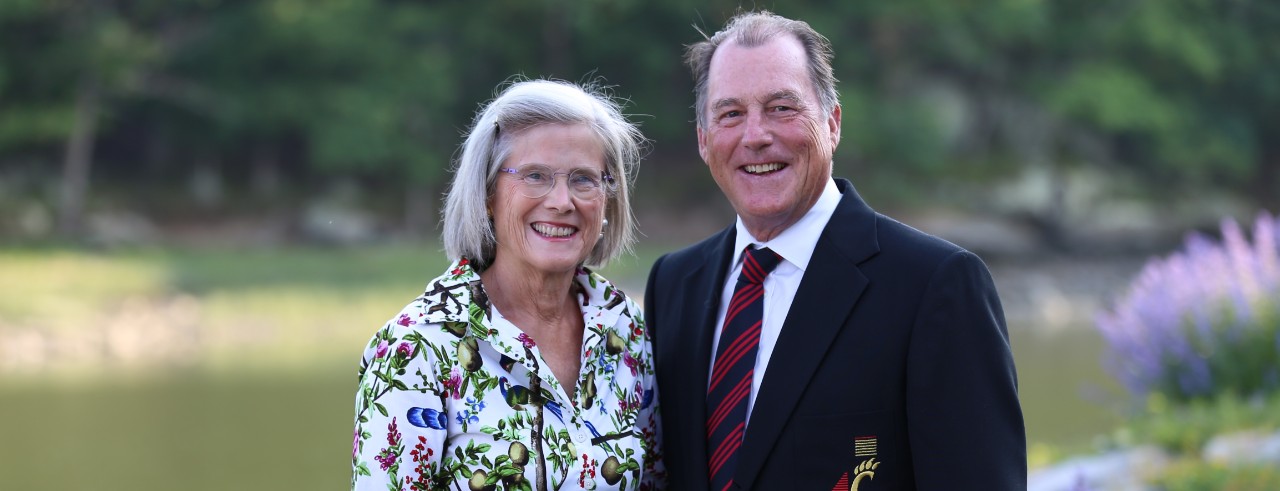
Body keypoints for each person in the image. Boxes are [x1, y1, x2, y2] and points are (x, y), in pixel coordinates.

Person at [644, 11, 1026, 490]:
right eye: (731, 114)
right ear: (704, 141)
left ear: (832, 123)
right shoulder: (673, 284)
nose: (755, 135)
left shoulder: (935, 285)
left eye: (782, 108)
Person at [352, 78, 665, 490]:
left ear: (608, 199)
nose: (561, 201)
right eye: (535, 176)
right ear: (488, 194)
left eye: (583, 179)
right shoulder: (416, 349)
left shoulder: (628, 332)